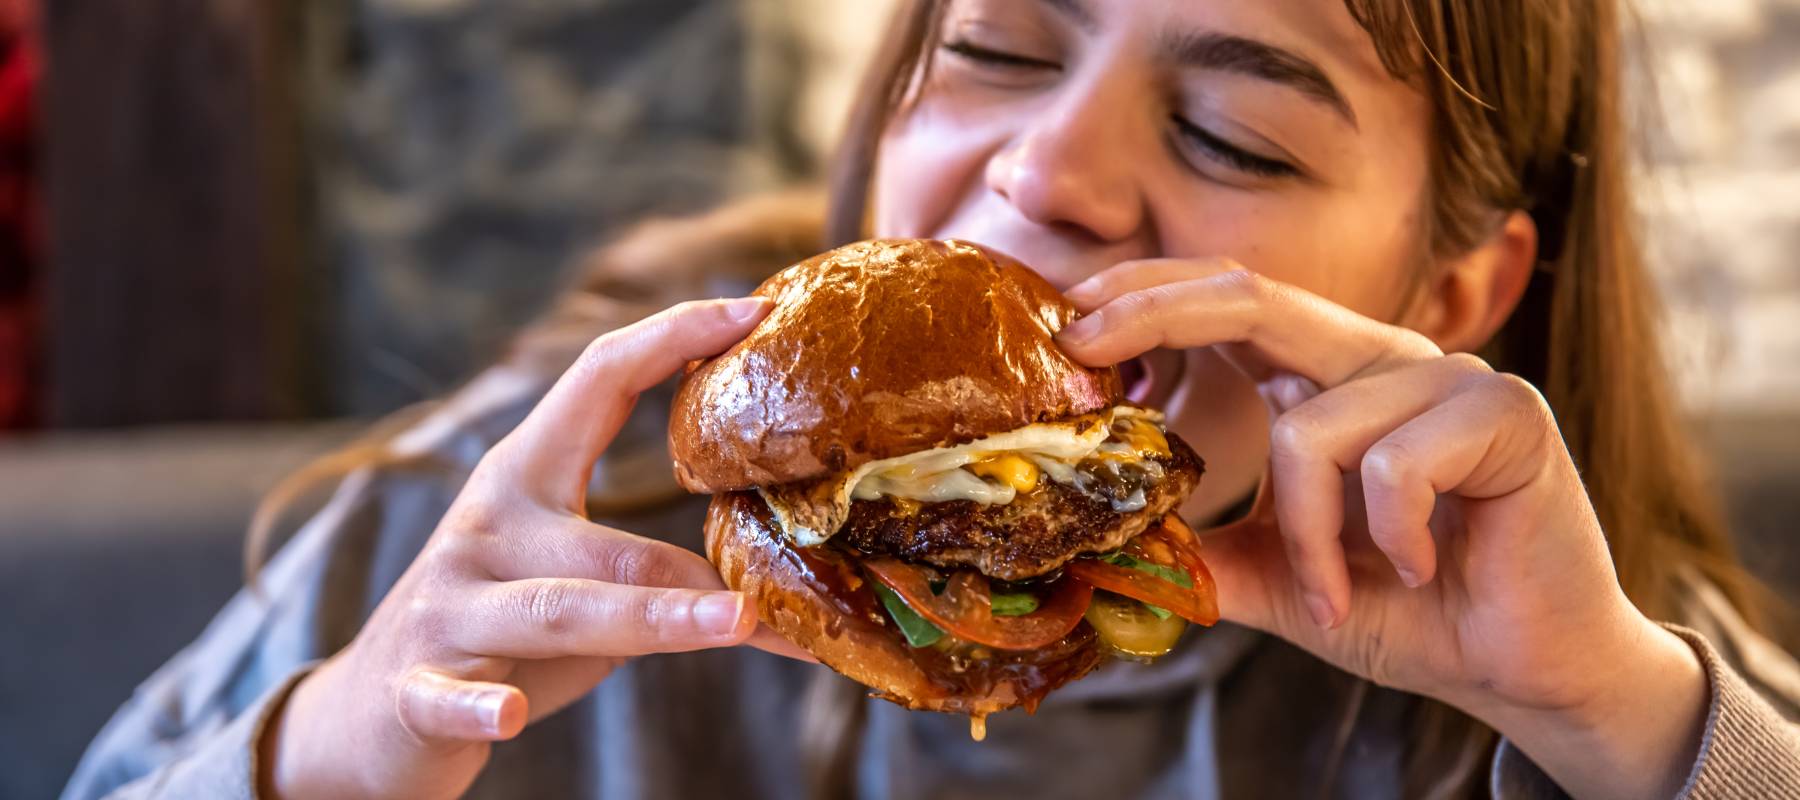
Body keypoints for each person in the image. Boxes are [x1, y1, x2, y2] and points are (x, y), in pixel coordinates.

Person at [63, 1, 1800, 798]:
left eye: (1233, 134)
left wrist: (1614, 729)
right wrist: (336, 760)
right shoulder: (508, 537)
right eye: (997, 52)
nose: (1053, 173)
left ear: (1453, 296)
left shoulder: (1598, 662)